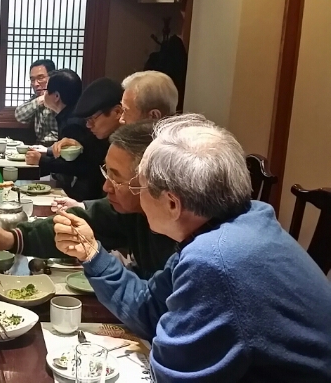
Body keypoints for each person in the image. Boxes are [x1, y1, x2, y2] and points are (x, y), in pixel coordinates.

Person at [53, 114, 331, 382]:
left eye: (141, 187)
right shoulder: (238, 222)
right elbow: (149, 308)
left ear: (172, 204)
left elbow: (172, 373)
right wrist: (93, 254)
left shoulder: (215, 259)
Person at [0, 121, 176, 279]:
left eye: (116, 178)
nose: (106, 187)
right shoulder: (131, 212)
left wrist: (93, 255)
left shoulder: (182, 245)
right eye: (106, 173)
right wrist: (11, 239)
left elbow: (152, 306)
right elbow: (77, 222)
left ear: (150, 182)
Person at [26, 75, 118, 201]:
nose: (88, 125)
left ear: (118, 112)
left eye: (92, 119)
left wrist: (42, 160)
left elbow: (84, 166)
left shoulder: (73, 122)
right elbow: (89, 156)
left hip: (87, 194)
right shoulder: (98, 131)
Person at [52, 70, 178, 153]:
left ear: (153, 116)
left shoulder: (169, 155)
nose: (121, 119)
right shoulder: (133, 141)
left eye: (126, 111)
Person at [14, 59, 59, 144]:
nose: (36, 84)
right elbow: (19, 115)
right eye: (32, 80)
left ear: (52, 77)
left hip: (59, 145)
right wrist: (39, 100)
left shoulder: (60, 97)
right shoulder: (36, 97)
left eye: (40, 78)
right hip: (39, 144)